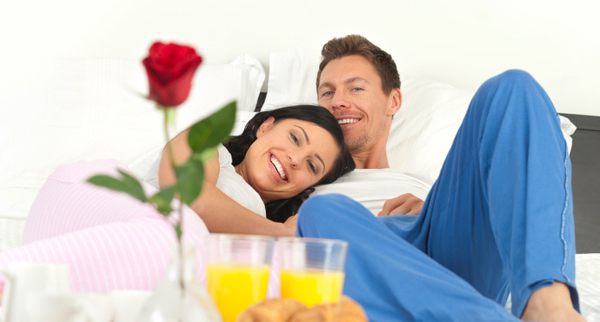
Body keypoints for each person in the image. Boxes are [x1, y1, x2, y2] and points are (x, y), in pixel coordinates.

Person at [297, 34, 600, 322]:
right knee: (320, 210)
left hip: (439, 240)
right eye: (327, 92)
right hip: (364, 255)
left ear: (394, 101)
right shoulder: (297, 173)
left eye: (355, 88)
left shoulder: (430, 184)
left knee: (514, 87)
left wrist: (430, 211)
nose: (338, 101)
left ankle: (549, 308)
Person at [0, 105, 354, 293]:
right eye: (295, 138)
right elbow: (189, 198)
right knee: (182, 237)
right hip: (83, 203)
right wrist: (283, 235)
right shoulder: (208, 145)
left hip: (124, 270)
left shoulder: (264, 227)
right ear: (264, 127)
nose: (295, 158)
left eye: (312, 164)